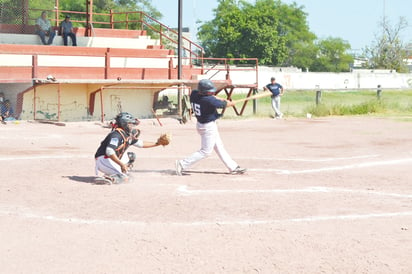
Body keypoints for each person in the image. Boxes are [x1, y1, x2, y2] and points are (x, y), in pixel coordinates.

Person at [175, 79, 246, 176]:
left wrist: (223, 100)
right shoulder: (208, 100)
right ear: (204, 92)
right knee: (206, 151)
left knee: (219, 146)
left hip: (203, 124)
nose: (212, 92)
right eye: (209, 91)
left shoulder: (195, 94)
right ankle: (182, 164)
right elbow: (223, 104)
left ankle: (232, 167)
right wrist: (230, 103)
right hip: (207, 127)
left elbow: (213, 97)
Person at [95, 112, 164, 184]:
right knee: (124, 178)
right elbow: (109, 151)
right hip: (103, 160)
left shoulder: (126, 134)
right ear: (124, 124)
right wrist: (121, 164)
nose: (132, 126)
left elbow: (141, 144)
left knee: (131, 156)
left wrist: (158, 144)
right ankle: (110, 178)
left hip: (110, 160)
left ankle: (114, 173)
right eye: (130, 124)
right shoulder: (116, 135)